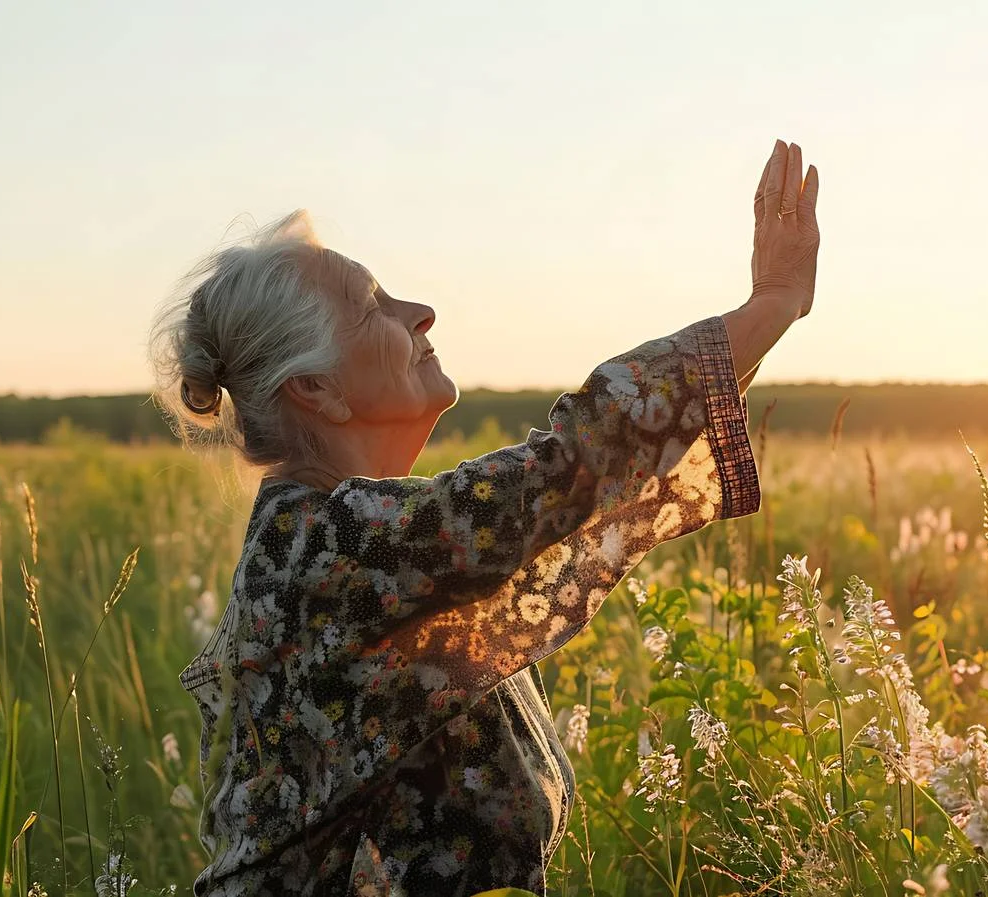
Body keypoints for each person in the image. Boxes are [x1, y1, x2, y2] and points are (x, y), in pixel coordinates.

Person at [148, 138, 820, 896]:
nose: (420, 312)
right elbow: (567, 471)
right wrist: (771, 304)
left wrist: (749, 338)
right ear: (319, 391)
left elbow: (594, 478)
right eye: (373, 307)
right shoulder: (327, 550)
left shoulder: (355, 543)